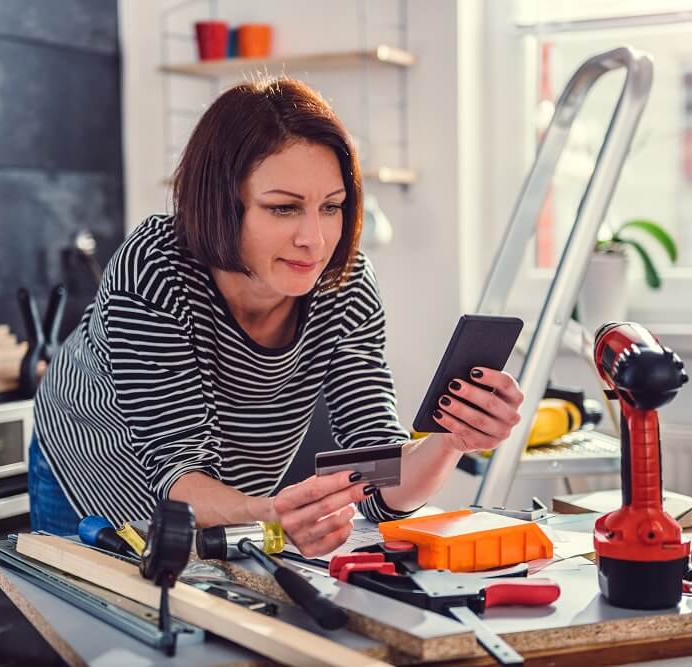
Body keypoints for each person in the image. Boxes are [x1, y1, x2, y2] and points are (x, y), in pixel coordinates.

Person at [29, 78, 524, 557]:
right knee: (100, 623)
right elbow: (178, 475)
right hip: (91, 470)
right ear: (223, 204)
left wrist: (452, 440)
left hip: (229, 496)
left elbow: (374, 472)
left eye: (331, 207)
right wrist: (269, 516)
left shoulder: (344, 282)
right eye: (284, 208)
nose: (315, 239)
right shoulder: (154, 270)